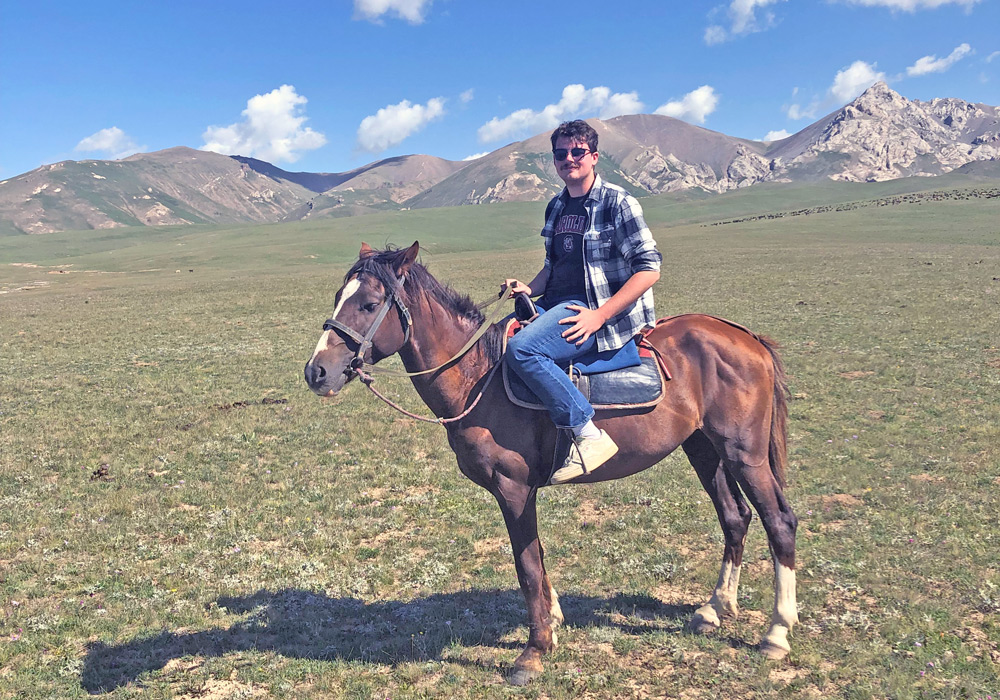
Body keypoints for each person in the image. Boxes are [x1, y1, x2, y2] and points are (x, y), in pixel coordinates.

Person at [503, 120, 661, 484]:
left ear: (594, 156)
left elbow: (649, 269)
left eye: (577, 152)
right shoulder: (557, 206)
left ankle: (587, 434)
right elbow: (553, 264)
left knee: (524, 351)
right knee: (499, 339)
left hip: (597, 313)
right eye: (561, 154)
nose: (568, 159)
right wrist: (527, 288)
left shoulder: (618, 203)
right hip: (558, 303)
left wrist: (598, 316)